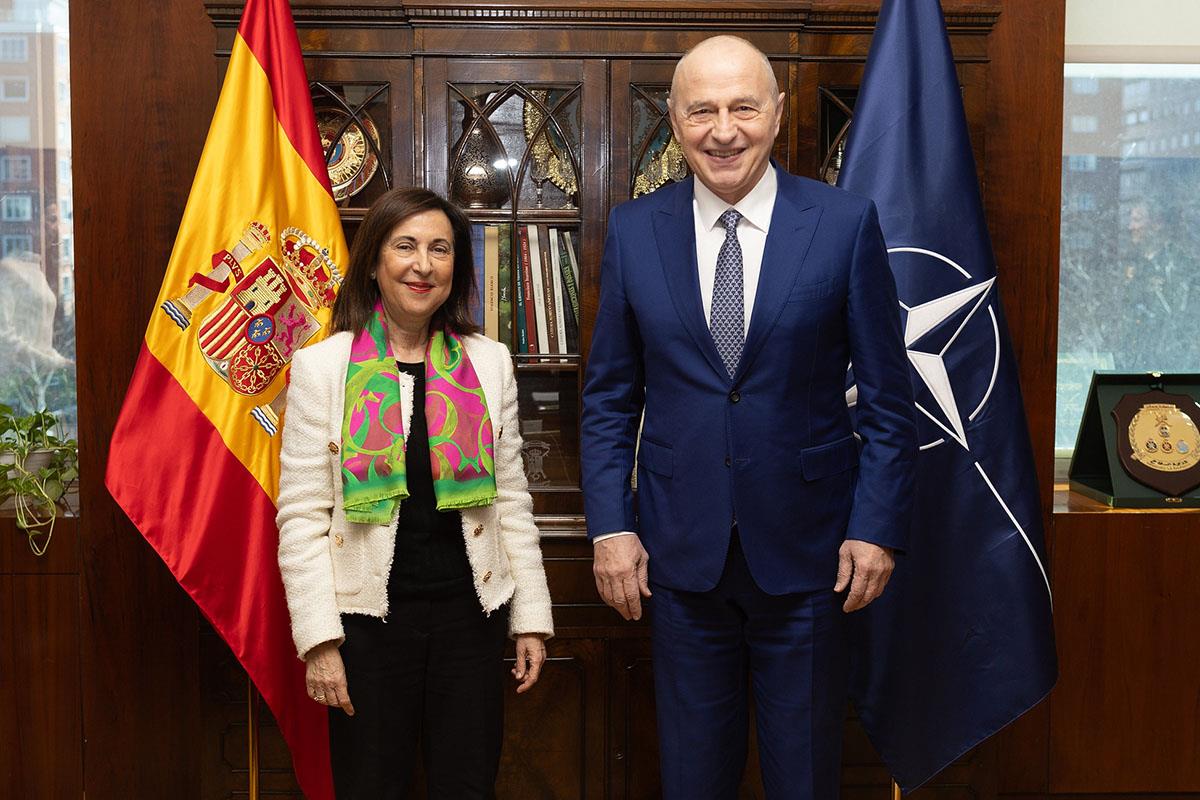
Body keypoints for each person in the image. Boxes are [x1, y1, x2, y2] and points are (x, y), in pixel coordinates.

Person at [580, 35, 917, 799]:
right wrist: (611, 527)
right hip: (678, 558)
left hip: (811, 557)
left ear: (776, 113)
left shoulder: (843, 223)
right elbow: (607, 397)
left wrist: (876, 526)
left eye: (742, 107)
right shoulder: (635, 231)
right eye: (701, 110)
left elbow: (891, 401)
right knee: (693, 776)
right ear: (673, 119)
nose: (722, 130)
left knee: (804, 776)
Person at [277, 187, 554, 799]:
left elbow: (511, 500)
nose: (422, 265)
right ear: (375, 261)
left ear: (457, 269)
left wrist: (530, 618)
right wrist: (320, 642)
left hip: (471, 621)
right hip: (367, 628)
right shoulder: (322, 369)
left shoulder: (490, 363)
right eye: (404, 246)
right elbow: (300, 517)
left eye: (440, 249)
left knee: (467, 786)